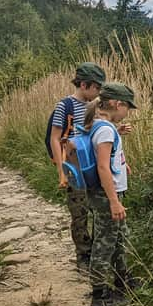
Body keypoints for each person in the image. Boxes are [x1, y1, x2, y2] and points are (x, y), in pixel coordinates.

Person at [48, 62, 105, 271]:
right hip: (74, 166)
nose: (99, 92)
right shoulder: (65, 106)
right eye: (96, 88)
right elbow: (55, 138)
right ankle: (83, 256)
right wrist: (61, 171)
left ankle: (99, 254)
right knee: (79, 212)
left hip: (95, 165)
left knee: (98, 210)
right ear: (83, 84)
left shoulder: (96, 106)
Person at [85, 82, 137, 306]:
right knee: (105, 242)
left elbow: (105, 154)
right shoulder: (105, 130)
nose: (128, 113)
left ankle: (122, 279)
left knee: (118, 237)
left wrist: (118, 135)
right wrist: (114, 202)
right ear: (117, 104)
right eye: (128, 107)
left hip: (106, 194)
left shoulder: (100, 125)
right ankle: (99, 295)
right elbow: (103, 168)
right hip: (108, 195)